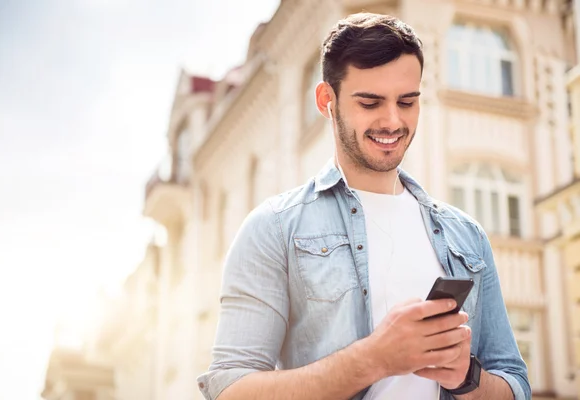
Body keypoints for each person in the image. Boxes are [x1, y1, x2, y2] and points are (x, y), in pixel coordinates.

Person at [197, 12, 530, 400]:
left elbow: (515, 385)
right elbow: (228, 389)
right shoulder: (274, 228)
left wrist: (465, 377)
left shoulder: (467, 235)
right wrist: (375, 358)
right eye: (370, 102)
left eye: (407, 102)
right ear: (327, 101)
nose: (392, 121)